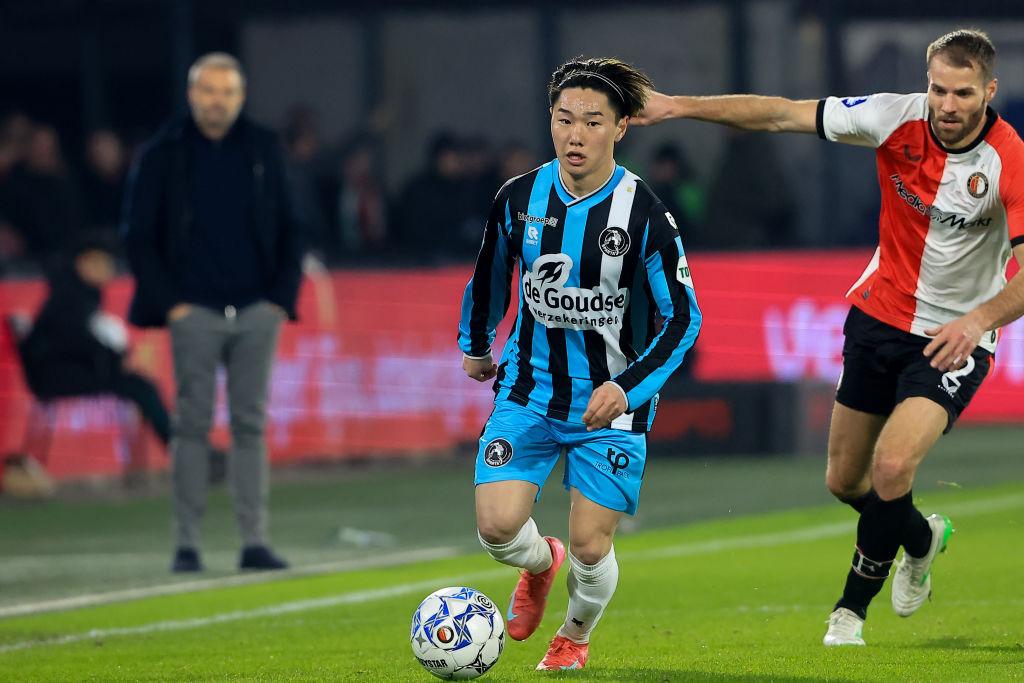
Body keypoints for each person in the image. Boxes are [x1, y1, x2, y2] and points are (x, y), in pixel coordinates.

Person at [634, 28, 1024, 645]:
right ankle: (920, 538)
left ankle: (849, 614)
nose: (947, 106)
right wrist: (676, 105)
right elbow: (779, 114)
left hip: (954, 337)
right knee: (845, 480)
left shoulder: (1010, 159)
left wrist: (978, 322)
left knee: (892, 466)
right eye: (938, 90)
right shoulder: (893, 117)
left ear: (990, 91)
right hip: (878, 317)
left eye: (963, 94)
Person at [459, 57, 701, 670]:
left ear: (620, 128)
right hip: (529, 390)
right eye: (564, 119)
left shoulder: (644, 213)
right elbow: (489, 278)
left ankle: (574, 634)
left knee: (593, 545)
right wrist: (477, 344)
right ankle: (542, 564)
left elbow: (683, 318)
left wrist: (627, 388)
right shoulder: (518, 198)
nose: (576, 134)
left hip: (610, 404)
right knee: (497, 528)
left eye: (593, 121)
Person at [122, 52, 304, 573]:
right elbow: (137, 235)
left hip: (256, 309)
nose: (217, 101)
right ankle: (187, 544)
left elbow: (295, 224)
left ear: (241, 97)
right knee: (191, 426)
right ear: (191, 95)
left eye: (226, 92)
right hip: (193, 310)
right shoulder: (163, 152)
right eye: (208, 90)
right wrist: (172, 305)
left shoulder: (264, 148)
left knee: (250, 425)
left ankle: (254, 542)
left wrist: (278, 299)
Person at [20, 236, 171, 448]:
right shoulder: (69, 295)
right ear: (83, 262)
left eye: (108, 263)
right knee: (139, 386)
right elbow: (74, 340)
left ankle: (178, 445)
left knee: (139, 384)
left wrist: (116, 359)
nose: (106, 269)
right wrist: (117, 360)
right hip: (55, 376)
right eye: (100, 263)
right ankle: (180, 447)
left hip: (68, 370)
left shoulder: (82, 292)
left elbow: (84, 340)